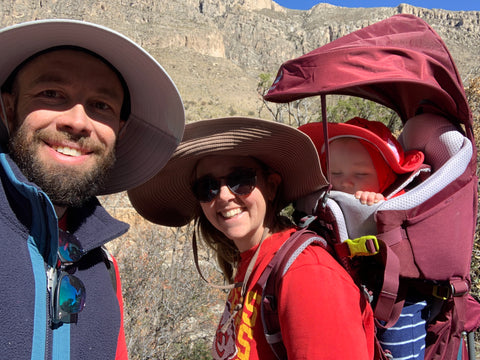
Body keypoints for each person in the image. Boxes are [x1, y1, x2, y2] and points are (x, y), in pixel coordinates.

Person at [0, 19, 185, 359]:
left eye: (102, 105)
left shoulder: (102, 271)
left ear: (120, 130)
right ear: (9, 108)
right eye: (51, 94)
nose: (78, 121)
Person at [127, 116, 375, 360]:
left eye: (240, 180)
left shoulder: (307, 274)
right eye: (207, 186)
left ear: (272, 186)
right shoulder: (255, 263)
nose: (223, 196)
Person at [299, 117, 428, 360]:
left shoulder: (398, 197)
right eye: (335, 172)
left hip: (399, 299)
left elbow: (397, 201)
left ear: (387, 175)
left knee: (397, 350)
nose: (345, 182)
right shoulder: (326, 201)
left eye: (360, 173)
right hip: (354, 292)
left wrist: (378, 203)